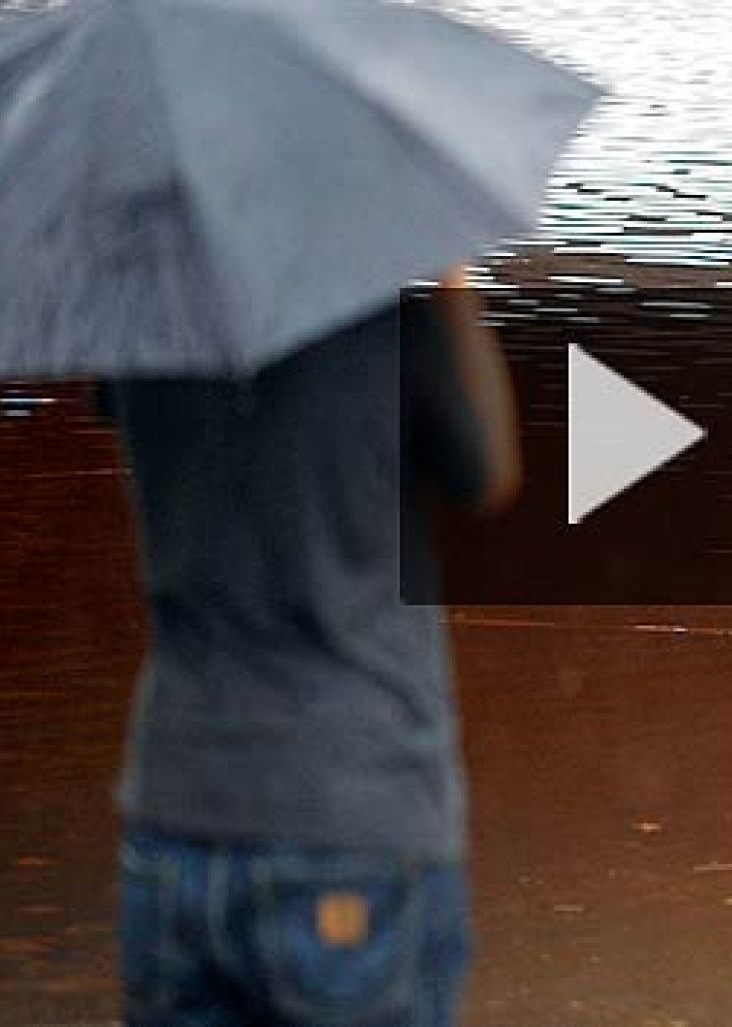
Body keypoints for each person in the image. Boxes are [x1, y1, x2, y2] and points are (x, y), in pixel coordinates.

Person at [100, 267, 520, 1026]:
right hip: (353, 807)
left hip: (177, 810)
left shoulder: (143, 296)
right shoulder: (384, 302)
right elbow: (485, 469)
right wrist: (451, 277)